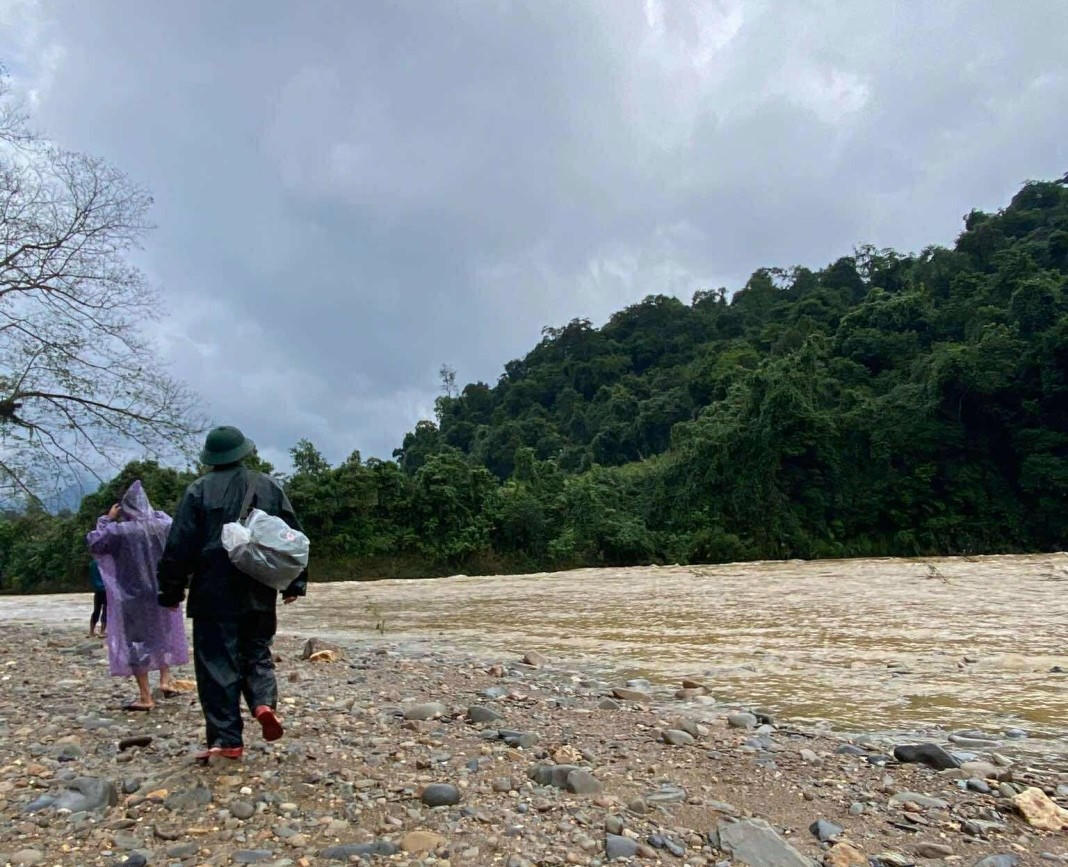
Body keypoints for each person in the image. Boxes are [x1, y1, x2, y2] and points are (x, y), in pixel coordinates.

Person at [157, 425, 307, 761]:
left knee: (216, 666)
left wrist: (170, 591)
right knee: (257, 653)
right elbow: (293, 538)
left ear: (211, 458)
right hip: (259, 587)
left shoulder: (198, 491)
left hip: (212, 593)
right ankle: (264, 703)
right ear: (244, 452)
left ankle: (227, 741)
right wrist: (295, 583)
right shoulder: (268, 485)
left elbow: (179, 546)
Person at [87, 481, 190, 710]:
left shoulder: (119, 531)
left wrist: (106, 519)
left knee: (136, 641)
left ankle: (146, 696)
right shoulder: (162, 526)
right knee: (163, 633)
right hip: (161, 590)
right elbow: (175, 529)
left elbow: (95, 542)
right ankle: (165, 680)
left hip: (132, 594)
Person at [88, 558, 107, 638]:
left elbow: (93, 577)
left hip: (97, 589)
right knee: (106, 610)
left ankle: (91, 631)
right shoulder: (107, 563)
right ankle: (102, 631)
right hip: (106, 589)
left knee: (96, 610)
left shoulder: (93, 563)